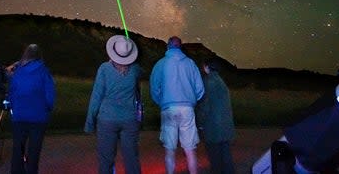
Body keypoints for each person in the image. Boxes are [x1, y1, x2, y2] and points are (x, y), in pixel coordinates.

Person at [84, 35, 143, 174]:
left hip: (107, 120)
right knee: (132, 159)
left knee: (106, 160)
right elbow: (139, 73)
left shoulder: (104, 69)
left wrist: (89, 122)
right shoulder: (135, 70)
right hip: (130, 119)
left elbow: (96, 96)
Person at [149, 36, 205, 174]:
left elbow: (154, 88)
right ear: (181, 47)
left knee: (170, 151)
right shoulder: (190, 64)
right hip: (187, 109)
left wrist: (161, 101)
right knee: (190, 150)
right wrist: (192, 101)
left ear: (168, 46)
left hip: (168, 109)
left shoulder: (160, 64)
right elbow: (200, 89)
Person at [7, 44, 56, 174]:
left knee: (18, 148)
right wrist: (47, 108)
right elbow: (50, 95)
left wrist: (13, 107)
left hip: (19, 116)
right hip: (39, 118)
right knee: (34, 151)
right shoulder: (44, 71)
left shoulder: (19, 71)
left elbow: (11, 92)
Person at [196, 59, 236, 174]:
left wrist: (200, 123)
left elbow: (204, 106)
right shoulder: (221, 82)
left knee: (215, 159)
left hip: (213, 126)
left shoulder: (207, 82)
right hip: (225, 126)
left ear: (207, 67)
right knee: (226, 157)